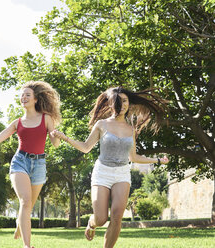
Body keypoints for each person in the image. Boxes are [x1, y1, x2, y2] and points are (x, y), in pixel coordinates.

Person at [51, 86, 169, 248]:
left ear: (129, 103)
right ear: (111, 104)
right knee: (101, 218)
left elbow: (133, 157)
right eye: (118, 101)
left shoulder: (130, 129)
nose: (123, 104)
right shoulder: (102, 124)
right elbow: (86, 147)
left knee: (117, 216)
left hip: (122, 173)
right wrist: (65, 138)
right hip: (102, 172)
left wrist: (157, 161)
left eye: (125, 100)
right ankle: (92, 223)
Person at [0, 81, 61, 248]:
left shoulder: (46, 118)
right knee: (25, 201)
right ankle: (27, 245)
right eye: (22, 95)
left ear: (36, 99)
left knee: (28, 205)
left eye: (27, 95)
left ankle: (19, 222)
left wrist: (56, 135)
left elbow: (56, 144)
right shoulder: (18, 122)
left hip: (39, 164)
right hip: (20, 162)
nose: (23, 97)